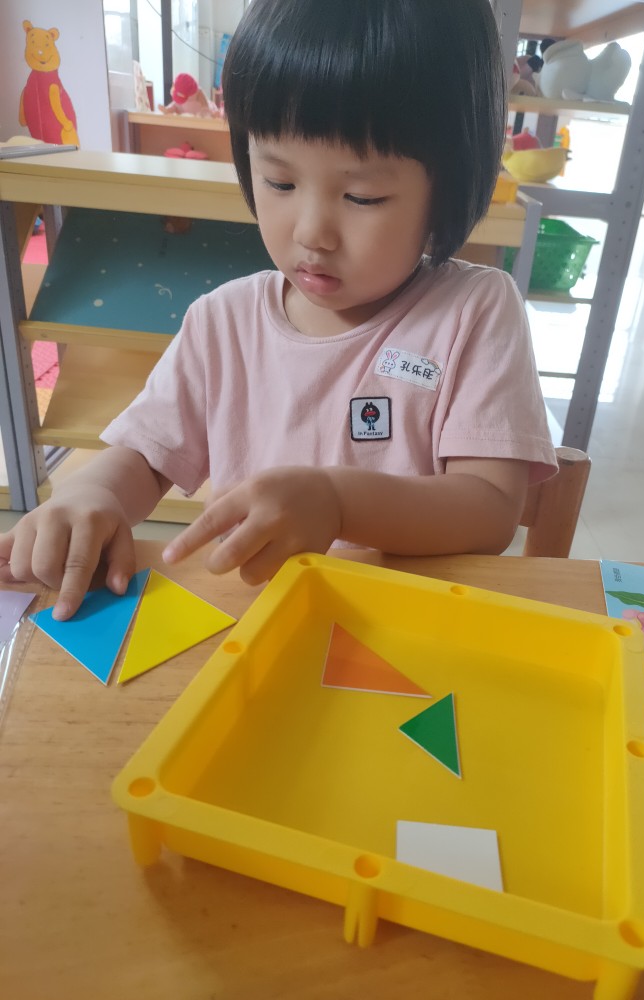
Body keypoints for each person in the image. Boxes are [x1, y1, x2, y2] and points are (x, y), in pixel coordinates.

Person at [0, 0, 556, 620]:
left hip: (404, 631)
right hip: (253, 628)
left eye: (363, 196)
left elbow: (489, 510)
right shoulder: (222, 323)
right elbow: (144, 458)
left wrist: (339, 503)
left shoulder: (473, 312)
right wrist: (90, 495)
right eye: (280, 183)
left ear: (448, 187)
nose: (312, 231)